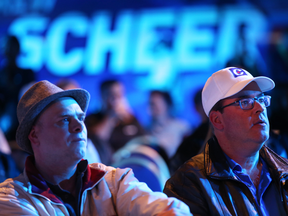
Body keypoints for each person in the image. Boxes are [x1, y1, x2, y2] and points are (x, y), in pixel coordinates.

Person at [0, 80, 191, 215]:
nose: (79, 126)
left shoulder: (113, 181)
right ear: (34, 135)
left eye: (81, 118)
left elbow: (173, 210)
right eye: (64, 120)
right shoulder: (10, 198)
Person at [164, 67, 288, 215]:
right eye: (245, 101)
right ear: (217, 120)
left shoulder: (284, 172)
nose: (260, 108)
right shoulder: (188, 184)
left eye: (261, 99)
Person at [85, 79, 146, 158]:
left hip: (131, 164)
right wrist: (111, 117)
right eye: (113, 95)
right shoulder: (92, 119)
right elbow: (95, 141)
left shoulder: (131, 119)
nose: (117, 100)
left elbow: (144, 141)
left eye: (120, 95)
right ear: (103, 96)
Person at [147, 90, 191, 158]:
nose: (152, 108)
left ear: (167, 104)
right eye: (151, 104)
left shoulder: (182, 127)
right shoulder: (146, 130)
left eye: (156, 104)